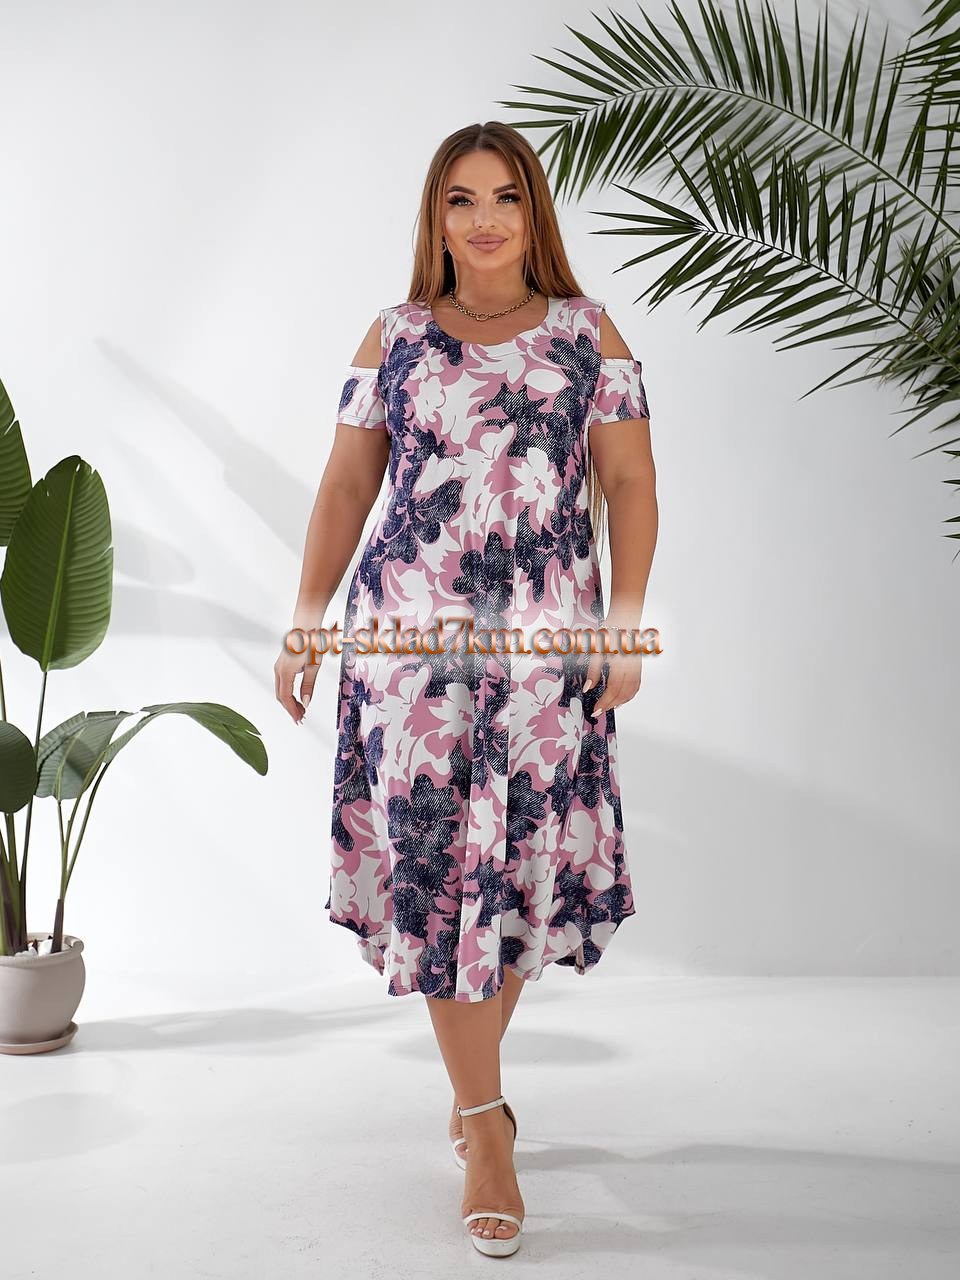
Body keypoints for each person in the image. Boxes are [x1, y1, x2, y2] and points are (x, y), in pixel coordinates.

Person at [275, 121, 658, 1258]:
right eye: (460, 199)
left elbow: (630, 484)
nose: (484, 220)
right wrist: (306, 618)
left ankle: (471, 1082)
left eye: (504, 197)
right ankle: (487, 1124)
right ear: (434, 218)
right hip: (410, 651)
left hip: (545, 651)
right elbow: (346, 486)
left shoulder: (590, 334)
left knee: (519, 868)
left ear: (533, 212)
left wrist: (627, 624)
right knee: (441, 871)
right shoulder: (393, 336)